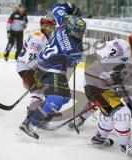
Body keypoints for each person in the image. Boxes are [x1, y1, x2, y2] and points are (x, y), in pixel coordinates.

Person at [19, 2, 85, 140]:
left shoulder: (64, 23)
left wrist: (69, 7)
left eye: (81, 32)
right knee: (55, 99)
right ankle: (29, 123)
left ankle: (42, 118)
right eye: (77, 31)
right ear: (71, 28)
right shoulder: (75, 47)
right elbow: (71, 62)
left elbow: (57, 7)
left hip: (51, 67)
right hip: (49, 68)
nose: (79, 34)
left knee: (65, 97)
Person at [84, 30, 132, 158]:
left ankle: (100, 137)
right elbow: (99, 54)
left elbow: (129, 88)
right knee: (122, 112)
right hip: (93, 84)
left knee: (112, 112)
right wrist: (111, 69)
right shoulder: (121, 46)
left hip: (106, 89)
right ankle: (125, 145)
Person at [17, 15, 56, 131]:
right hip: (26, 67)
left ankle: (40, 119)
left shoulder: (49, 36)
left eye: (52, 26)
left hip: (36, 67)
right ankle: (29, 120)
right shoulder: (38, 38)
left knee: (50, 91)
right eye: (48, 26)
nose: (51, 28)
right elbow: (30, 61)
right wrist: (41, 73)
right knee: (38, 90)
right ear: (43, 26)